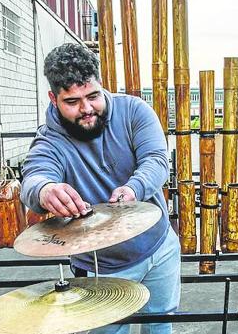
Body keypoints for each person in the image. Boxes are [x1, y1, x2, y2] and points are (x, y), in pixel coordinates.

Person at [21, 43, 180, 334]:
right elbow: (34, 177)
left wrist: (134, 188)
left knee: (160, 326)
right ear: (53, 99)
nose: (87, 109)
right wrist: (46, 190)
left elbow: (157, 160)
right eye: (73, 101)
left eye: (93, 96)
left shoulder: (133, 111)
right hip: (98, 269)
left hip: (159, 249)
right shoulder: (50, 140)